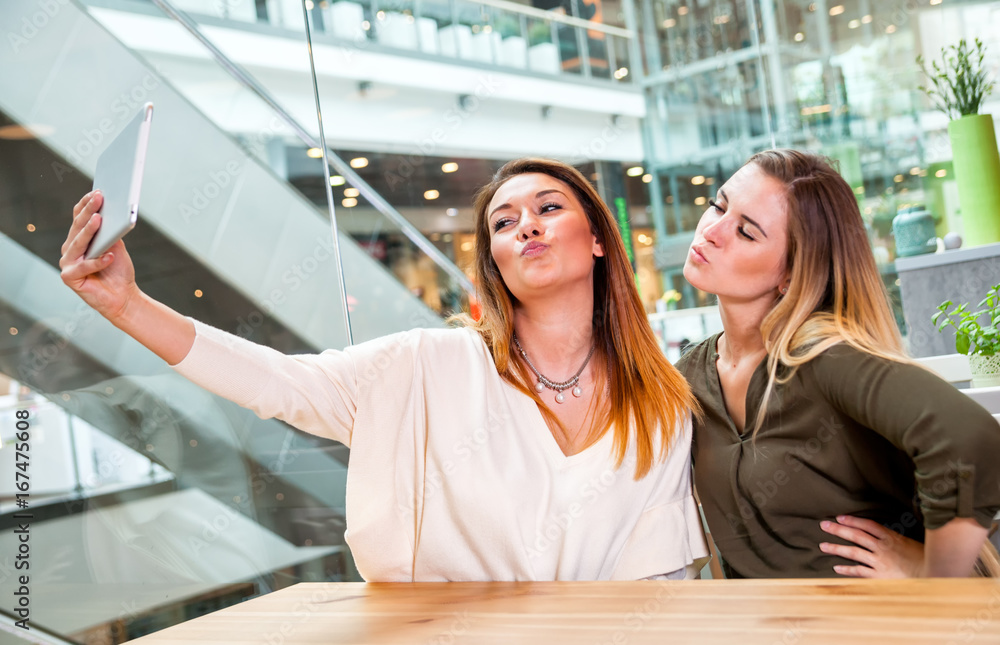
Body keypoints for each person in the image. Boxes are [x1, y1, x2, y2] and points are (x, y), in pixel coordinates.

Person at [60, 157, 709, 582]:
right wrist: (127, 305)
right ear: (495, 264)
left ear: (598, 237)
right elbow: (277, 381)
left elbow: (664, 580)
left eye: (548, 208)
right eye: (504, 223)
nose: (526, 227)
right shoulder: (426, 366)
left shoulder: (660, 402)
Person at [676, 148, 1000, 579]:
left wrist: (934, 580)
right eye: (719, 204)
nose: (712, 231)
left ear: (791, 271)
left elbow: (972, 440)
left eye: (747, 232)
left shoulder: (823, 356)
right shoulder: (689, 375)